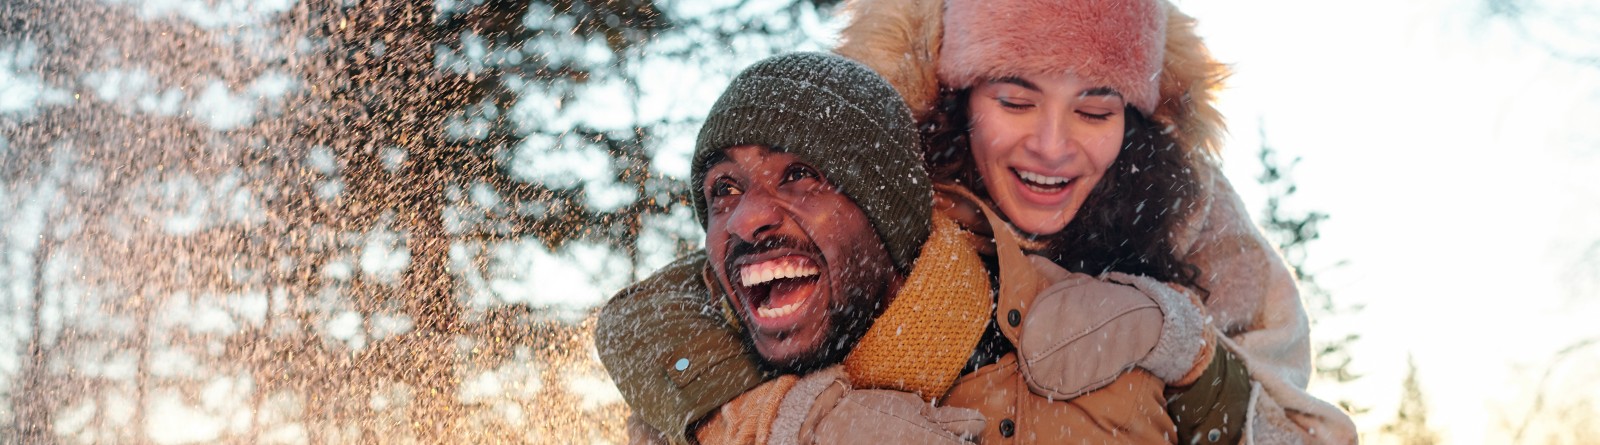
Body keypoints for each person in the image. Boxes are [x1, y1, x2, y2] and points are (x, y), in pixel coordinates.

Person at [601, 0, 1360, 443]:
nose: (1053, 146)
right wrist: (799, 420)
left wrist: (1183, 347)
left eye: (1096, 108)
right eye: (1016, 100)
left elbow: (1299, 428)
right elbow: (662, 314)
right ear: (957, 95)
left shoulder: (1188, 211)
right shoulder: (886, 172)